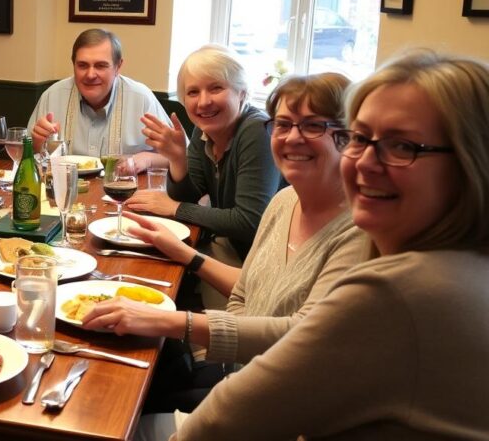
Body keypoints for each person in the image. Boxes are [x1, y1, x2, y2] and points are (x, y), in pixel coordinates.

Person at [171, 49, 489, 439]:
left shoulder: (402, 289)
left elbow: (228, 416)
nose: (365, 163)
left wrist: (174, 321)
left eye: (403, 146)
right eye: (359, 138)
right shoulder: (453, 262)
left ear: (473, 162)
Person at [82, 73, 369, 413]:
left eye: (312, 126)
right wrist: (183, 253)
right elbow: (248, 291)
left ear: (350, 137)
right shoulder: (285, 201)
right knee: (138, 377)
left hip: (290, 407)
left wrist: (170, 322)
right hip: (246, 375)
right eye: (283, 124)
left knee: (121, 408)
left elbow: (301, 333)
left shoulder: (359, 230)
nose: (293, 138)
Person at [131, 45, 280, 307]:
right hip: (234, 250)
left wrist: (176, 208)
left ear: (242, 92)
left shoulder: (257, 131)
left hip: (264, 265)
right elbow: (189, 193)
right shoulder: (206, 130)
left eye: (216, 88)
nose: (203, 102)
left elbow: (250, 221)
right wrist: (178, 159)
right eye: (193, 92)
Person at [28, 28, 170, 171]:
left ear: (118, 67)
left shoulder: (142, 99)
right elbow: (22, 158)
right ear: (73, 64)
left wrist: (148, 158)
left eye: (100, 66)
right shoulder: (52, 96)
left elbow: (180, 157)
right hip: (64, 191)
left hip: (124, 191)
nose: (90, 75)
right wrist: (35, 145)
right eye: (82, 65)